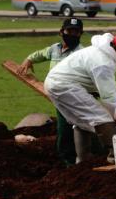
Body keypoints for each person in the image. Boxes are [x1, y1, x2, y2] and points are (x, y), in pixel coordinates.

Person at [44, 33, 116, 164]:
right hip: (64, 86)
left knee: (81, 121)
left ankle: (83, 161)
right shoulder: (103, 63)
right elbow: (109, 95)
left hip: (56, 83)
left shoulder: (100, 53)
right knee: (102, 117)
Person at [17, 18, 84, 166]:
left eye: (76, 32)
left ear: (81, 34)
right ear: (61, 32)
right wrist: (29, 60)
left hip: (72, 98)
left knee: (68, 129)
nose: (72, 34)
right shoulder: (55, 49)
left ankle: (70, 161)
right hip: (58, 96)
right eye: (69, 31)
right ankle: (72, 159)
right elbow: (40, 54)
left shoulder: (81, 53)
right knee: (70, 128)